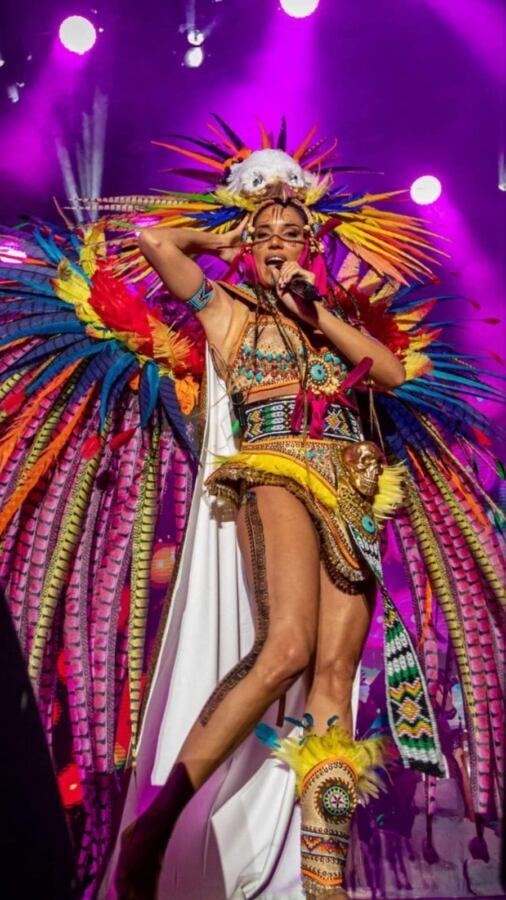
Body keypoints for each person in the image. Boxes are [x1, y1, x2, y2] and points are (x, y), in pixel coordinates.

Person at [113, 175, 426, 900]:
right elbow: (154, 240)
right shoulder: (225, 307)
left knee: (335, 674)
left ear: (313, 249)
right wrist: (219, 241)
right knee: (287, 648)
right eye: (265, 235)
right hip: (276, 464)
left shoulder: (324, 315)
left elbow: (388, 374)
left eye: (292, 234)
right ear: (248, 250)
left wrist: (315, 307)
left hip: (352, 484)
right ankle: (155, 827)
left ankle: (322, 879)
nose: (278, 244)